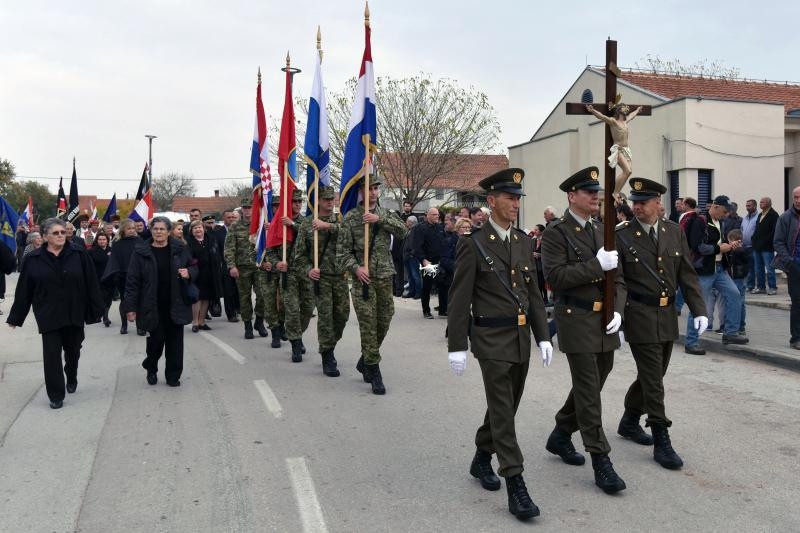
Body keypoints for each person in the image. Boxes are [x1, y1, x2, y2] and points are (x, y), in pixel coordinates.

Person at [447, 168, 551, 521]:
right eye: (510, 198)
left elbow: (533, 295)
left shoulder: (523, 241)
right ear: (491, 201)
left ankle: (481, 457)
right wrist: (457, 344)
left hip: (520, 339)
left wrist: (543, 336)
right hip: (490, 339)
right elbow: (459, 297)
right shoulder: (473, 243)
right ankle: (515, 482)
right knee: (504, 411)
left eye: (518, 198)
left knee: (505, 407)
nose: (516, 204)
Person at [540, 166, 626, 495]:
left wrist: (617, 309)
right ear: (571, 196)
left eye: (596, 192)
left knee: (595, 381)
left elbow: (619, 279)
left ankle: (562, 432)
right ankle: (600, 458)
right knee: (589, 391)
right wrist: (595, 266)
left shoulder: (601, 230)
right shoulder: (556, 233)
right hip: (575, 317)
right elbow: (556, 278)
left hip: (603, 320)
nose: (595, 197)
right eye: (589, 192)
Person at [614, 178, 707, 470]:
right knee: (654, 379)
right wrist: (617, 315)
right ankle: (661, 438)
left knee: (654, 373)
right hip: (639, 314)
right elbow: (617, 280)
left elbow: (686, 274)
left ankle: (630, 419)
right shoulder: (622, 235)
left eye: (643, 202)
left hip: (666, 314)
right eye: (634, 202)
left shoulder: (673, 231)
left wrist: (699, 309)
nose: (637, 207)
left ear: (658, 203)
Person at [7, 218, 104, 409]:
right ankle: (56, 395)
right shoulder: (33, 259)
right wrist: (16, 317)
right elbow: (24, 289)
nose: (61, 235)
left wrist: (96, 308)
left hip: (74, 312)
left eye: (63, 232)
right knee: (51, 356)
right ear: (45, 237)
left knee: (73, 350)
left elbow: (91, 282)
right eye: (56, 233)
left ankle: (71, 373)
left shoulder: (79, 254)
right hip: (48, 313)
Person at [336, 176, 408, 394]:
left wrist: (379, 220)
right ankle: (374, 370)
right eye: (369, 188)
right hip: (363, 281)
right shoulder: (351, 218)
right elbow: (342, 253)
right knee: (368, 324)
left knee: (384, 321)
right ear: (361, 191)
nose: (373, 192)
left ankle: (365, 359)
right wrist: (357, 268)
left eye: (376, 188)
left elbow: (403, 231)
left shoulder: (386, 214)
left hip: (384, 277)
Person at [123, 216, 197, 387]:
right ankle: (151, 367)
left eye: (162, 229)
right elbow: (132, 281)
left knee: (175, 344)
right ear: (150, 230)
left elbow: (194, 265)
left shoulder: (180, 248)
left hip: (175, 303)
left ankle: (173, 376)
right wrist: (131, 308)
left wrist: (190, 272)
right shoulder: (140, 251)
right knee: (155, 342)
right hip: (151, 305)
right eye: (155, 229)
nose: (158, 232)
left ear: (169, 231)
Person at [294, 185, 349, 376]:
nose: (329, 202)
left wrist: (328, 226)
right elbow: (299, 256)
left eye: (331, 199)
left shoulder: (341, 221)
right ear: (318, 201)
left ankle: (330, 344)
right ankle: (327, 355)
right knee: (325, 317)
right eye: (326, 199)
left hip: (340, 276)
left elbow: (349, 234)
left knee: (342, 316)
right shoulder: (307, 224)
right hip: (321, 278)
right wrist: (309, 270)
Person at [684, 195, 748, 354]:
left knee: (735, 294)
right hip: (703, 270)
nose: (726, 215)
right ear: (716, 207)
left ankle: (730, 333)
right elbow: (697, 247)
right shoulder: (700, 221)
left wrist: (729, 246)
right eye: (725, 211)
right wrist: (720, 248)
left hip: (719, 269)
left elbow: (719, 244)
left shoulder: (721, 222)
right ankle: (691, 342)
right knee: (699, 305)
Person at [269, 189, 314, 362]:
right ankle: (296, 343)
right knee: (292, 310)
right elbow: (270, 249)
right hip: (288, 274)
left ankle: (297, 334)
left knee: (308, 309)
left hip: (306, 272)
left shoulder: (306, 222)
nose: (297, 204)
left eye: (299, 201)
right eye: (294, 201)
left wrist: (293, 225)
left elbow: (312, 237)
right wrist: (276, 263)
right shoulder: (278, 223)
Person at [223, 197, 268, 340]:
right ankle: (248, 325)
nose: (247, 210)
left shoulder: (261, 225)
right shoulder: (235, 226)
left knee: (262, 296)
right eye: (245, 208)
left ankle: (259, 322)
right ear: (242, 209)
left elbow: (268, 245)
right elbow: (229, 248)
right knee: (244, 298)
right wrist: (231, 266)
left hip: (259, 267)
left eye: (250, 207)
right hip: (242, 268)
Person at [585, 103, 643, 204]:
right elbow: (602, 117)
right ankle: (615, 192)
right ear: (618, 110)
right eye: (624, 108)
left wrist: (637, 110)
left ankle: (617, 191)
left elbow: (632, 115)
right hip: (618, 150)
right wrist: (592, 110)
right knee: (627, 170)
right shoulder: (613, 122)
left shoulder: (625, 121)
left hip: (626, 150)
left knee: (629, 172)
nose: (626, 109)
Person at [772, 186, 800, 350]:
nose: (798, 200)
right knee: (797, 303)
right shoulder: (785, 217)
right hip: (795, 266)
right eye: (795, 197)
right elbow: (778, 242)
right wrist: (789, 262)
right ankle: (796, 339)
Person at [103, 219, 141, 335]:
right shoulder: (117, 243)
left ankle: (140, 326)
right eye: (129, 228)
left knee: (139, 301)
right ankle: (124, 325)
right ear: (123, 229)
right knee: (124, 301)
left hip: (137, 276)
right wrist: (115, 273)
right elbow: (114, 259)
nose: (131, 230)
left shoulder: (139, 241)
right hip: (122, 276)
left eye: (133, 228)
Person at [186, 219, 223, 332]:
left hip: (210, 273)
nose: (198, 229)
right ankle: (195, 322)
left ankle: (202, 321)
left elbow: (217, 254)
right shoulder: (188, 241)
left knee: (206, 298)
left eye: (199, 227)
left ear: (203, 229)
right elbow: (188, 257)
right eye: (195, 228)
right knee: (197, 298)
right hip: (196, 274)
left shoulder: (211, 239)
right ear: (191, 230)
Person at [414, 207, 448, 319]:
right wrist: (423, 260)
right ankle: (426, 310)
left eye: (437, 214)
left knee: (443, 285)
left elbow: (443, 243)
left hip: (440, 261)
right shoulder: (420, 228)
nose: (437, 216)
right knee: (427, 287)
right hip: (428, 261)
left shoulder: (440, 227)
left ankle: (442, 310)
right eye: (434, 214)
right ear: (427, 215)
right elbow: (416, 246)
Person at [751, 196, 779, 295]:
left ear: (768, 203)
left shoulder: (774, 215)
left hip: (767, 247)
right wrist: (753, 238)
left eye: (762, 202)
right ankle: (761, 287)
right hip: (757, 246)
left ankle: (772, 287)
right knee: (758, 268)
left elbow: (774, 231)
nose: (760, 204)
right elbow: (757, 229)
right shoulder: (760, 215)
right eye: (760, 202)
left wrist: (765, 241)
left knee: (770, 268)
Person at [217, 210, 240, 322]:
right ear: (224, 219)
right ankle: (231, 314)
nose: (231, 219)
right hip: (226, 265)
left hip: (240, 265)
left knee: (240, 289)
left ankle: (239, 309)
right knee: (228, 290)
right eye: (228, 217)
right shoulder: (218, 233)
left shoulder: (240, 230)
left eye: (233, 217)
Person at [88, 233, 113, 327]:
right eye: (100, 239)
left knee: (108, 299)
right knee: (100, 297)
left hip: (110, 278)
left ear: (107, 240)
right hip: (97, 279)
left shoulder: (112, 250)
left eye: (104, 239)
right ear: (97, 241)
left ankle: (105, 315)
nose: (102, 241)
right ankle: (101, 315)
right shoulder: (91, 251)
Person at [740, 199, 758, 292]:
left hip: (753, 247)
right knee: (747, 267)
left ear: (755, 206)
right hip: (744, 246)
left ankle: (752, 285)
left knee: (753, 267)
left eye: (749, 206)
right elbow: (741, 230)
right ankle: (749, 285)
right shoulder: (745, 218)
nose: (747, 208)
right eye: (746, 206)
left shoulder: (758, 217)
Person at [402, 216, 421, 299]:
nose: (406, 222)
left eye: (407, 221)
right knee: (410, 276)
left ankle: (418, 293)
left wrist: (412, 254)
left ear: (411, 222)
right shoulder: (409, 230)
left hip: (412, 257)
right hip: (407, 256)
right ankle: (411, 291)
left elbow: (417, 244)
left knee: (415, 275)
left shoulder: (416, 231)